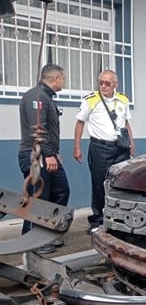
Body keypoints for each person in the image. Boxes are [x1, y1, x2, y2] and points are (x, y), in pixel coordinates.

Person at [74, 70, 135, 234]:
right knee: (99, 184)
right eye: (100, 82)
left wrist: (131, 142)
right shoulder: (91, 100)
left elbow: (126, 124)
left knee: (121, 183)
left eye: (107, 83)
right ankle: (97, 220)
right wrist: (77, 146)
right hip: (100, 148)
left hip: (120, 148)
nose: (103, 86)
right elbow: (80, 123)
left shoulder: (123, 99)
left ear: (115, 84)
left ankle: (119, 218)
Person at [18, 63, 70, 254]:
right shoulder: (37, 96)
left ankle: (47, 235)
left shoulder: (46, 97)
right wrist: (48, 154)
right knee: (39, 198)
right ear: (56, 78)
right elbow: (38, 130)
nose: (64, 81)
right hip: (35, 156)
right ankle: (32, 242)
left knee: (61, 191)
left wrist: (54, 154)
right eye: (63, 78)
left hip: (47, 155)